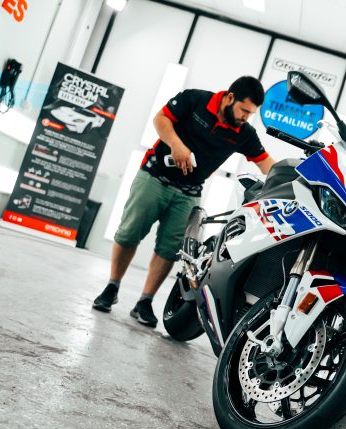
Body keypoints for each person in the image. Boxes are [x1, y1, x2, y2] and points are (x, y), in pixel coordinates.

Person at [92, 76, 275, 327]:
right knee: (129, 233)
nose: (246, 117)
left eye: (251, 113)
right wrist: (177, 146)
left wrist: (291, 178)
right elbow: (161, 118)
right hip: (154, 176)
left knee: (170, 249)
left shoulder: (244, 133)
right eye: (244, 110)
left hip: (189, 192)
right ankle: (111, 288)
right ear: (230, 97)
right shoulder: (195, 99)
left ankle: (145, 301)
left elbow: (266, 163)